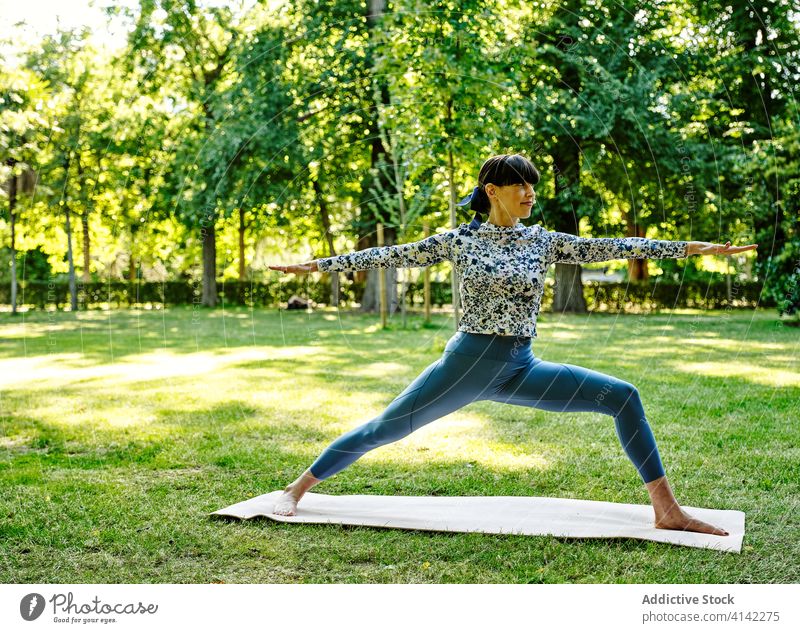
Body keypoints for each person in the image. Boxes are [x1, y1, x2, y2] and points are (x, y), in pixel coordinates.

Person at [267, 153, 758, 536]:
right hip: (466, 365)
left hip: (520, 366)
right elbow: (388, 255)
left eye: (533, 186)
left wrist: (692, 248)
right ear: (492, 191)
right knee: (384, 429)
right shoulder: (460, 240)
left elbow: (616, 246)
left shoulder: (541, 240)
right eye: (520, 185)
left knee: (623, 396)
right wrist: (316, 265)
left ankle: (667, 509)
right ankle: (297, 489)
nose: (529, 193)